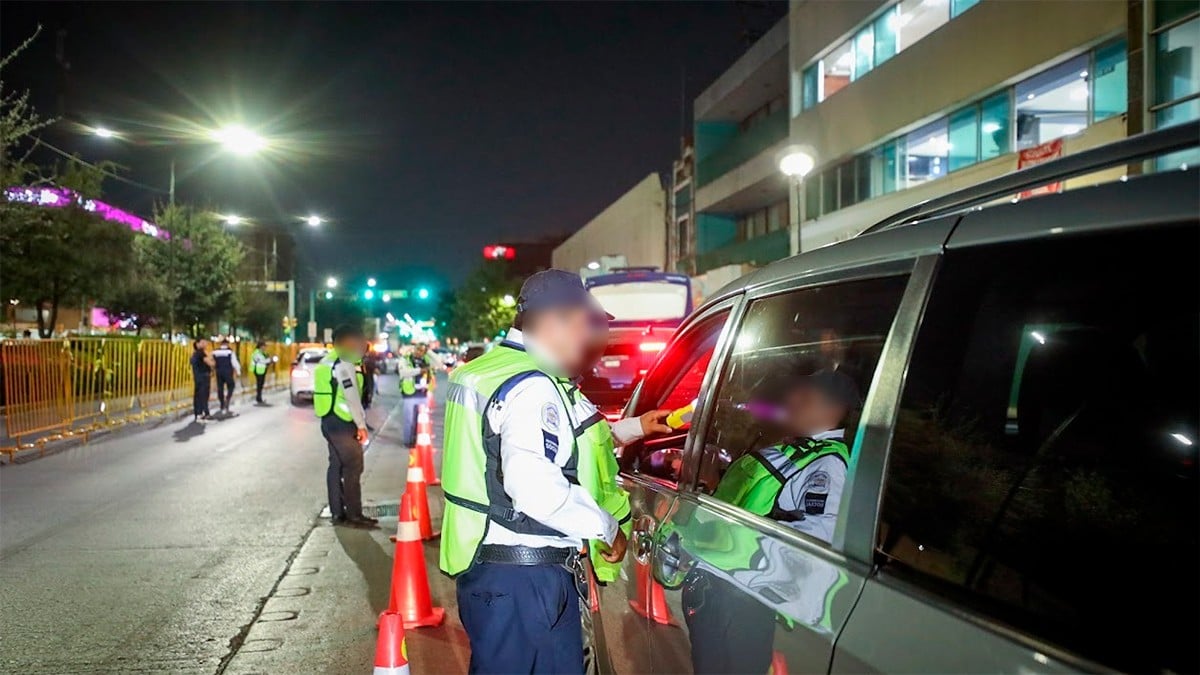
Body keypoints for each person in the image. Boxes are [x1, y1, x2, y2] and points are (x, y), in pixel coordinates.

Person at [440, 269, 671, 674]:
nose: (588, 339)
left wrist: (635, 427)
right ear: (553, 322)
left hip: (490, 569)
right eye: (584, 326)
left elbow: (565, 443)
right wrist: (607, 527)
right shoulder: (534, 386)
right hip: (526, 581)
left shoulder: (489, 370)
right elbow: (532, 485)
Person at [681, 368, 861, 674]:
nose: (790, 399)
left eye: (805, 395)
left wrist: (733, 537)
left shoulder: (826, 465)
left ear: (833, 409)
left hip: (744, 599)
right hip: (724, 589)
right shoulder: (795, 450)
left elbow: (818, 536)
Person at [313, 325, 378, 530]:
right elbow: (351, 399)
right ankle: (354, 515)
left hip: (328, 419)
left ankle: (337, 512)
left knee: (336, 466)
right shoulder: (344, 364)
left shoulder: (327, 361)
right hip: (343, 422)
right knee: (353, 466)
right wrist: (361, 425)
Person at [398, 342, 437, 447]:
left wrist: (428, 351)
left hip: (423, 394)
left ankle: (418, 440)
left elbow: (439, 362)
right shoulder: (405, 359)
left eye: (422, 350)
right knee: (409, 420)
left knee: (421, 420)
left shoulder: (426, 359)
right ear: (414, 349)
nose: (420, 352)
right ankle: (408, 441)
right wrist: (420, 370)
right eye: (418, 349)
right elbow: (404, 373)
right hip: (409, 394)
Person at [212, 340, 241, 415]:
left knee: (220, 388)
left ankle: (222, 403)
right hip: (228, 372)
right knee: (231, 385)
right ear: (227, 344)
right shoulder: (230, 352)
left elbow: (212, 362)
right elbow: (234, 362)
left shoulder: (215, 352)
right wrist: (238, 372)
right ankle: (227, 399)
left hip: (218, 372)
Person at [190, 339, 215, 422]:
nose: (205, 344)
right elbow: (210, 363)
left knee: (198, 396)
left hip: (198, 378)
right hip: (203, 378)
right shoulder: (200, 353)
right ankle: (205, 413)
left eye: (205, 342)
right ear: (197, 344)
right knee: (203, 396)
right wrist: (213, 359)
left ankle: (198, 413)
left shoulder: (195, 354)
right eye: (203, 343)